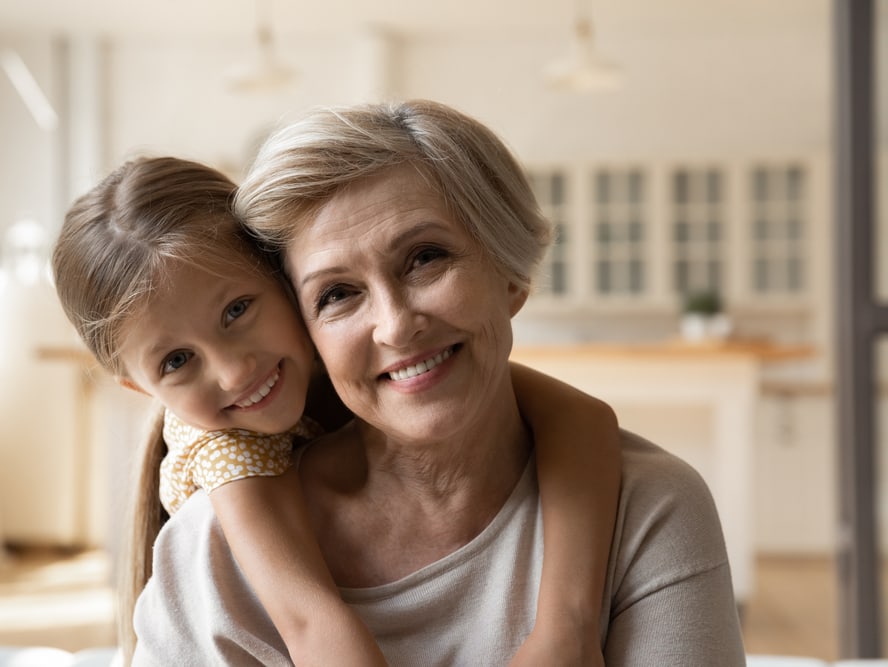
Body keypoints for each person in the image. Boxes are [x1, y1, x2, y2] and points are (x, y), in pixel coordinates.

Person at [127, 100, 746, 665]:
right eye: (338, 295)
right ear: (308, 337)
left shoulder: (650, 511)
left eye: (426, 258)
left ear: (510, 272)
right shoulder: (212, 554)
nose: (396, 326)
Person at [52, 156, 623, 666]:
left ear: (283, 275)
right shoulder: (228, 450)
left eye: (237, 310)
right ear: (136, 386)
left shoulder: (349, 343)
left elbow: (584, 416)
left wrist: (565, 630)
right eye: (177, 360)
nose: (232, 371)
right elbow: (316, 630)